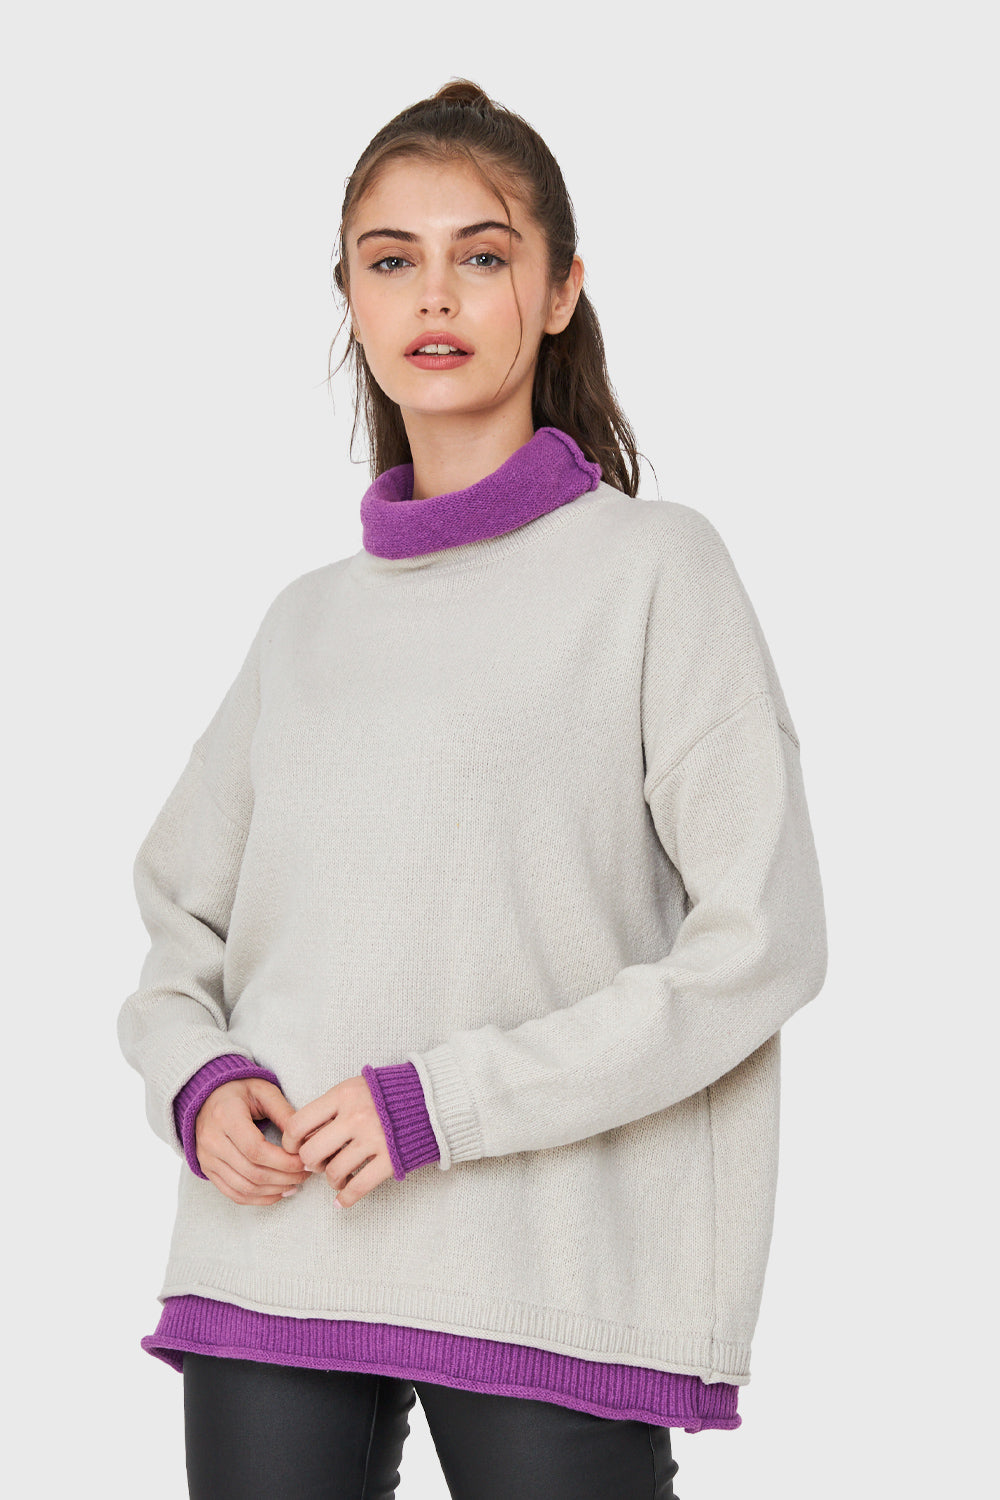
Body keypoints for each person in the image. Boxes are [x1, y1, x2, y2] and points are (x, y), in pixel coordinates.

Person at [118, 78, 828, 1500]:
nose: (433, 294)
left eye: (482, 255)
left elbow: (764, 944)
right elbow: (176, 921)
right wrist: (200, 1080)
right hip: (275, 1250)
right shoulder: (305, 623)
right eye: (392, 259)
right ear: (351, 297)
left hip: (548, 1267)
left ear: (560, 291)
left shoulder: (655, 573)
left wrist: (440, 1104)